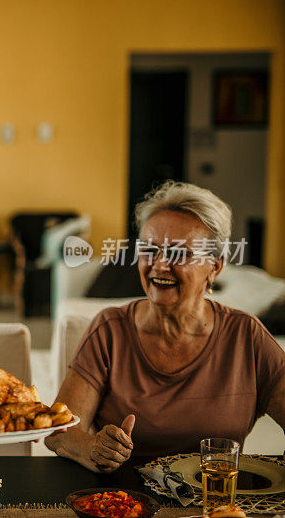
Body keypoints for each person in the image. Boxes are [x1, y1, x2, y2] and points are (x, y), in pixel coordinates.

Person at [45, 181, 285, 471]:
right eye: (149, 249)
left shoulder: (246, 336)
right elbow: (58, 434)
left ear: (215, 266)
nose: (159, 264)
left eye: (179, 253)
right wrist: (93, 447)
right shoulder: (110, 330)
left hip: (214, 506)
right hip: (127, 504)